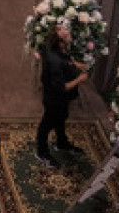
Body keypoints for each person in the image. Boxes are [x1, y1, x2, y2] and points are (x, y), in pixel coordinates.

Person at [36, 23, 88, 165]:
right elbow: (62, 88)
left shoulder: (50, 45)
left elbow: (64, 59)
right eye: (66, 34)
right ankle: (41, 152)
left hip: (60, 97)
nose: (68, 33)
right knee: (47, 124)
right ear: (60, 42)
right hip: (55, 98)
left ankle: (62, 143)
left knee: (61, 118)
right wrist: (80, 79)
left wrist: (75, 64)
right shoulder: (56, 63)